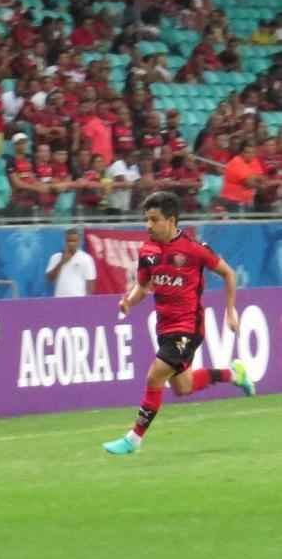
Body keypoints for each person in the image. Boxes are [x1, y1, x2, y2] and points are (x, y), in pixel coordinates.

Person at [103, 192, 255, 455]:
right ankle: (234, 374)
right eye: (146, 220)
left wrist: (230, 311)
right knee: (182, 387)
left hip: (189, 327)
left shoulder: (195, 250)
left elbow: (228, 274)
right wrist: (129, 301)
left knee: (155, 375)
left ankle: (134, 438)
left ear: (171, 220)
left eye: (154, 220)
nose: (148, 226)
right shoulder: (147, 252)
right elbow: (142, 287)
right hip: (165, 328)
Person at [45, 228, 97, 297]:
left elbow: (90, 283)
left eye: (74, 241)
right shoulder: (55, 257)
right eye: (68, 241)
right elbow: (50, 279)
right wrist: (61, 262)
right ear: (65, 241)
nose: (71, 243)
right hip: (59, 300)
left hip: (78, 300)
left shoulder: (86, 259)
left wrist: (86, 301)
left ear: (79, 242)